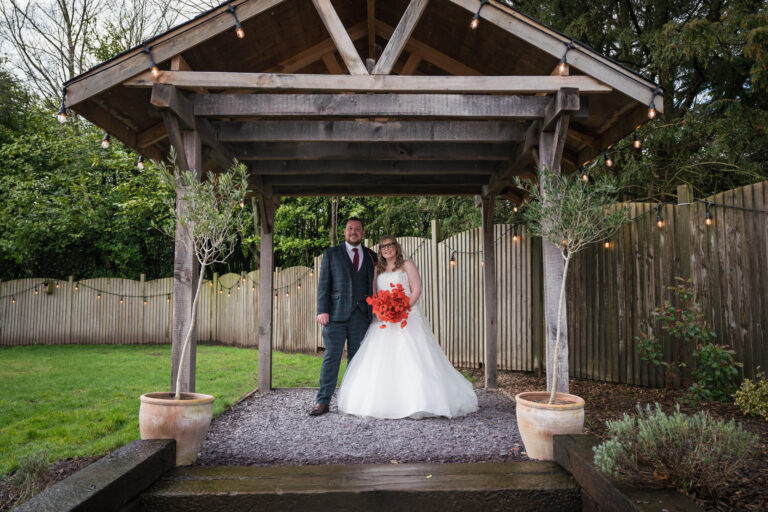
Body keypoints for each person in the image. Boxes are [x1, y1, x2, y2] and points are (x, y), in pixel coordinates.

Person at [337, 235, 478, 419]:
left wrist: (402, 309)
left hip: (407, 317)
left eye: (389, 245)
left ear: (396, 246)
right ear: (380, 251)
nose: (386, 249)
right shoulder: (377, 268)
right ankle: (383, 403)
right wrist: (381, 310)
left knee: (416, 357)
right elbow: (374, 293)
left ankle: (420, 401)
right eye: (383, 247)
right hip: (385, 320)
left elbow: (416, 289)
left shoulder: (407, 264)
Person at [310, 217, 377, 416]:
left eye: (357, 229)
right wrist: (322, 310)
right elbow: (324, 284)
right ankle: (323, 401)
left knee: (357, 359)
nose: (353, 232)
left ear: (363, 233)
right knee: (332, 357)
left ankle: (352, 401)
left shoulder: (372, 256)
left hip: (361, 316)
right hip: (335, 316)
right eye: (350, 228)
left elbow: (375, 285)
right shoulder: (331, 254)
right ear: (344, 231)